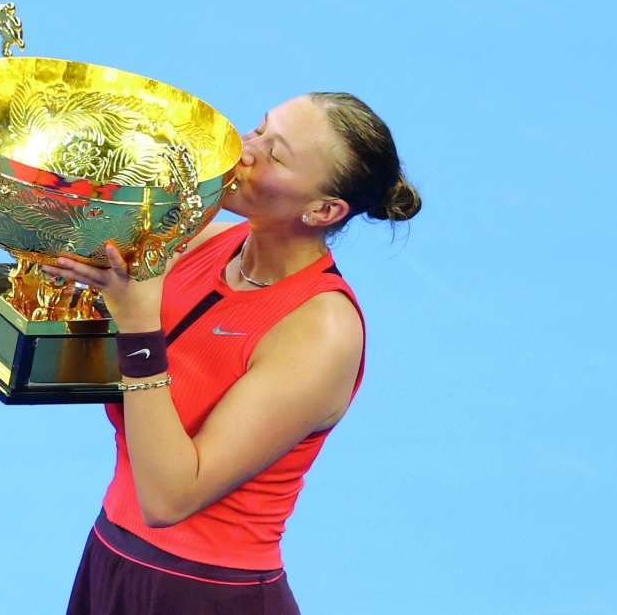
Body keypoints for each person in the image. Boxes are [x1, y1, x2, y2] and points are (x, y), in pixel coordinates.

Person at [44, 92, 421, 614]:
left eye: (277, 153)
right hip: (111, 562)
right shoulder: (205, 244)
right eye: (259, 129)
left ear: (323, 209)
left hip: (209, 594)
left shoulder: (321, 331)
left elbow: (169, 498)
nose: (245, 151)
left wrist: (136, 321)